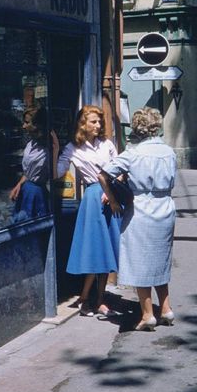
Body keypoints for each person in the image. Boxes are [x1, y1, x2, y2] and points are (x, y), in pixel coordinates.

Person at [98, 107, 177, 331]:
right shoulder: (169, 152)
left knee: (139, 261)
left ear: (137, 128)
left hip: (141, 209)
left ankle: (147, 314)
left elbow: (102, 174)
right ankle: (166, 309)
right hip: (165, 207)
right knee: (160, 260)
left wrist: (113, 200)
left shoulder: (133, 154)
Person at [53, 105, 121, 317]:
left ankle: (99, 298)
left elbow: (121, 169)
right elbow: (57, 173)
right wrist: (55, 149)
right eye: (93, 121)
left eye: (99, 121)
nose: (98, 125)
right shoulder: (74, 148)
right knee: (94, 249)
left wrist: (112, 190)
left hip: (111, 198)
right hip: (93, 198)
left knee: (107, 249)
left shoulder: (107, 144)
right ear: (83, 124)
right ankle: (85, 297)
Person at [9, 106, 52, 222]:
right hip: (26, 189)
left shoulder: (48, 149)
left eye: (27, 122)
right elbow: (28, 172)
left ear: (37, 125)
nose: (23, 126)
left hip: (37, 193)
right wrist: (19, 185)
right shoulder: (31, 144)